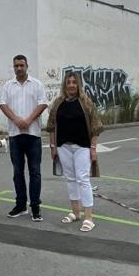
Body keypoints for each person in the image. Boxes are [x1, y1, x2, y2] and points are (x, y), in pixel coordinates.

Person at [45, 69, 103, 232]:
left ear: (79, 85)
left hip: (82, 147)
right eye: (68, 82)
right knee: (70, 179)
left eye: (74, 82)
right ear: (65, 85)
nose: (71, 85)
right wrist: (53, 147)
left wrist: (93, 148)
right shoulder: (58, 103)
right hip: (63, 146)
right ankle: (75, 212)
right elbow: (51, 127)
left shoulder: (86, 102)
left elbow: (96, 127)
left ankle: (88, 217)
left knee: (83, 179)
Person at [0, 54, 49, 221]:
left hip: (33, 135)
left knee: (35, 172)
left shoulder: (37, 85)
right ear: (14, 68)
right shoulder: (8, 86)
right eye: (16, 66)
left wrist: (28, 120)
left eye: (21, 65)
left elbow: (42, 103)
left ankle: (35, 207)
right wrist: (16, 120)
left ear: (27, 66)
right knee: (17, 172)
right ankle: (20, 205)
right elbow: (3, 104)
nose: (19, 68)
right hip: (15, 135)